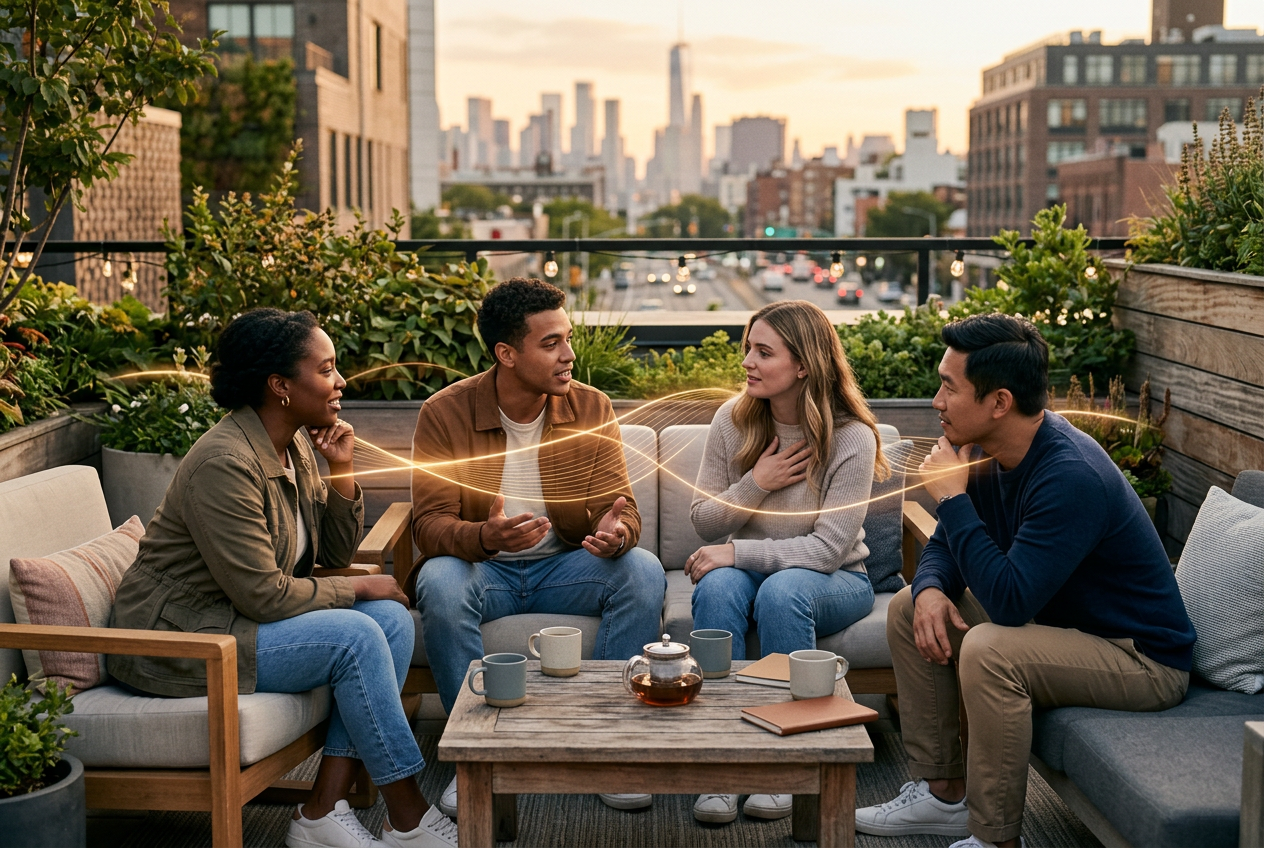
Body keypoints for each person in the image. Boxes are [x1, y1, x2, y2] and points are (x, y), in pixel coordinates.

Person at [108, 309, 455, 848]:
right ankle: (407, 813)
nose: (340, 382)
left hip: (233, 622)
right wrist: (361, 586)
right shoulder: (224, 463)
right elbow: (263, 593)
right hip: (178, 640)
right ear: (280, 386)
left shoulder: (294, 446)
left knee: (389, 621)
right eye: (327, 369)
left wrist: (341, 470)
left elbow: (335, 552)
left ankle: (320, 810)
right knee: (358, 632)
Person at [855, 313, 1196, 848]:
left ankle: (995, 838)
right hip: (1065, 627)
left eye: (949, 387)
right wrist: (929, 588)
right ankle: (943, 793)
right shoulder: (989, 450)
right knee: (907, 606)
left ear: (999, 402)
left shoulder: (1069, 475)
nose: (936, 401)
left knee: (992, 648)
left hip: (1140, 659)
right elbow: (949, 544)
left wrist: (952, 497)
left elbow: (1010, 603)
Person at [407, 278, 667, 818]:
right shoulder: (445, 412)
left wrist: (618, 536)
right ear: (506, 353)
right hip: (486, 573)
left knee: (641, 572)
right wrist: (483, 537)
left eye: (567, 338)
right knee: (439, 579)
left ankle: (605, 748)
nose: (569, 355)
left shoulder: (591, 407)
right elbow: (429, 526)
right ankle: (473, 759)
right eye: (551, 344)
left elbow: (625, 510)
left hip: (565, 568)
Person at [686, 300, 889, 825]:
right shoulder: (732, 421)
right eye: (747, 349)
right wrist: (759, 482)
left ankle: (787, 763)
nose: (748, 362)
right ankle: (722, 762)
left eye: (763, 351)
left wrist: (738, 551)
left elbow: (827, 550)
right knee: (716, 589)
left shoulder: (851, 436)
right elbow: (705, 521)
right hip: (750, 573)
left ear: (803, 364)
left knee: (784, 591)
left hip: (837, 578)